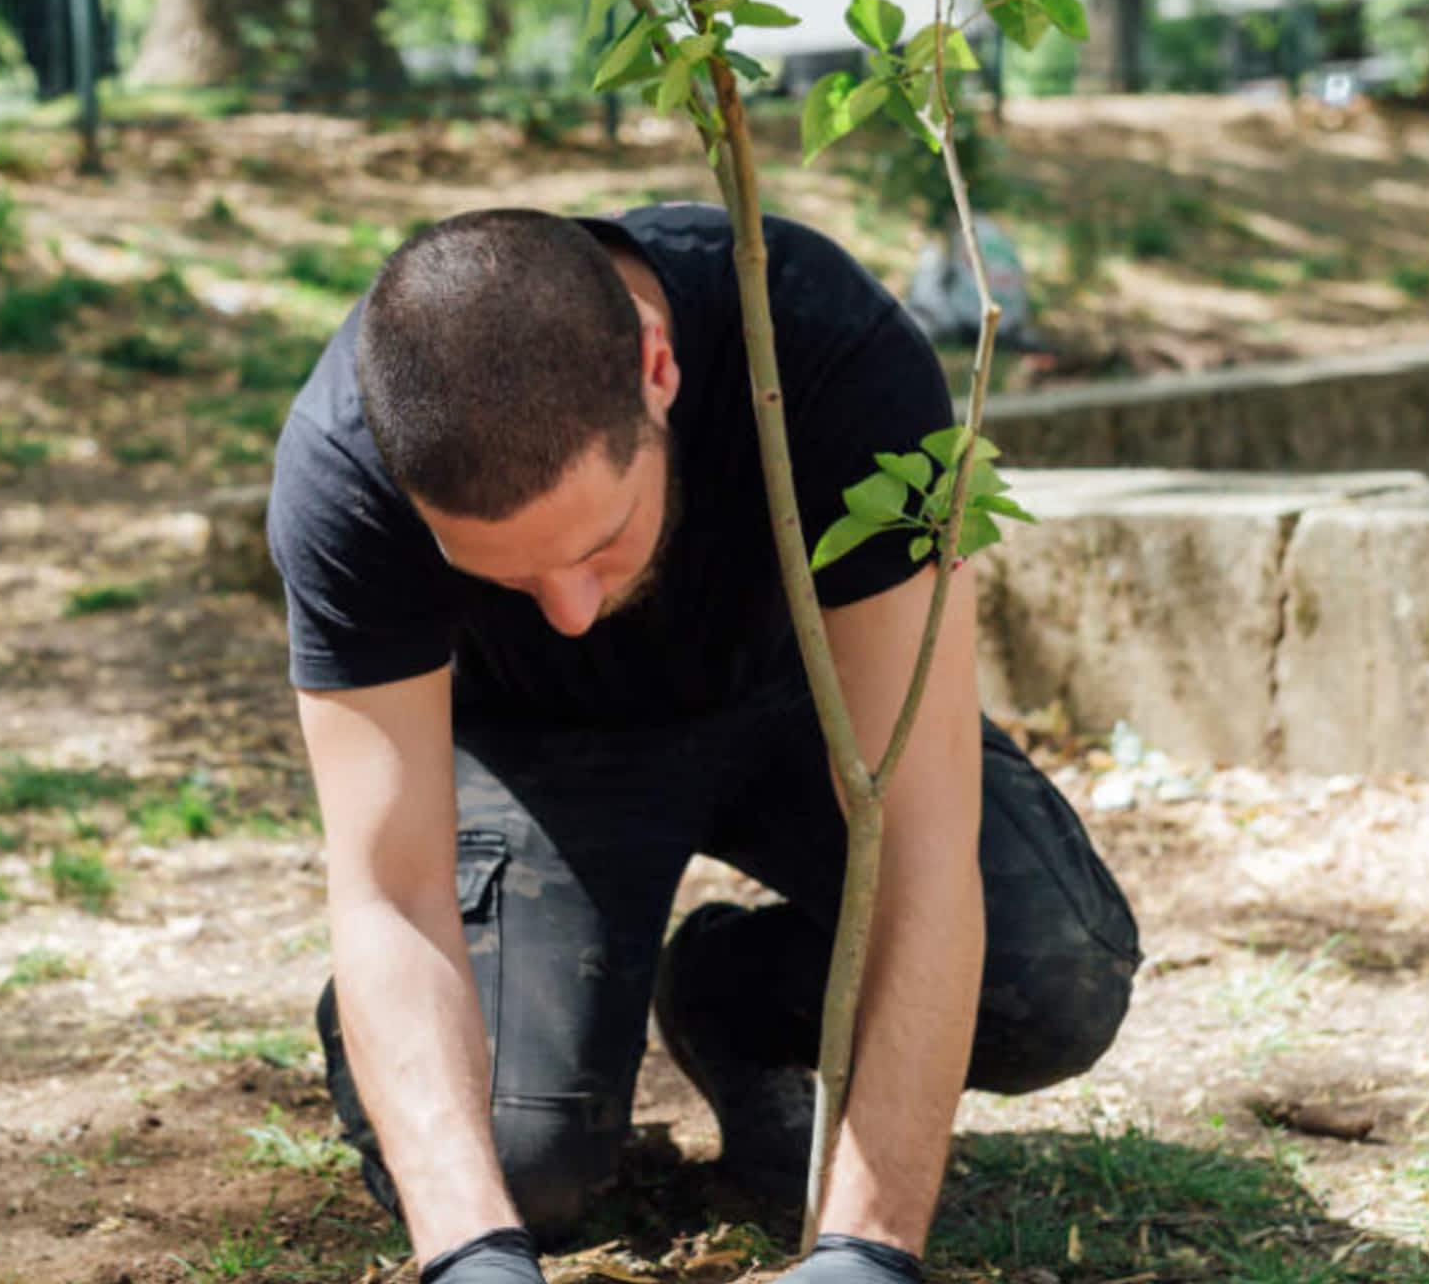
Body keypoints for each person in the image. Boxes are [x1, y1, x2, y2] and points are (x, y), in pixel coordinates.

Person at [266, 204, 1140, 1284]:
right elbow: (389, 896)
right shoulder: (344, 461)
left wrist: (865, 1252)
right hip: (536, 757)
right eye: (501, 576)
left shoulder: (827, 349)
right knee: (518, 1169)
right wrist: (468, 1254)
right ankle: (475, 1007)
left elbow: (920, 839)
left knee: (1048, 980)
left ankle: (733, 1003)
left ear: (656, 367)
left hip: (804, 706)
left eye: (599, 541)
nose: (570, 614)